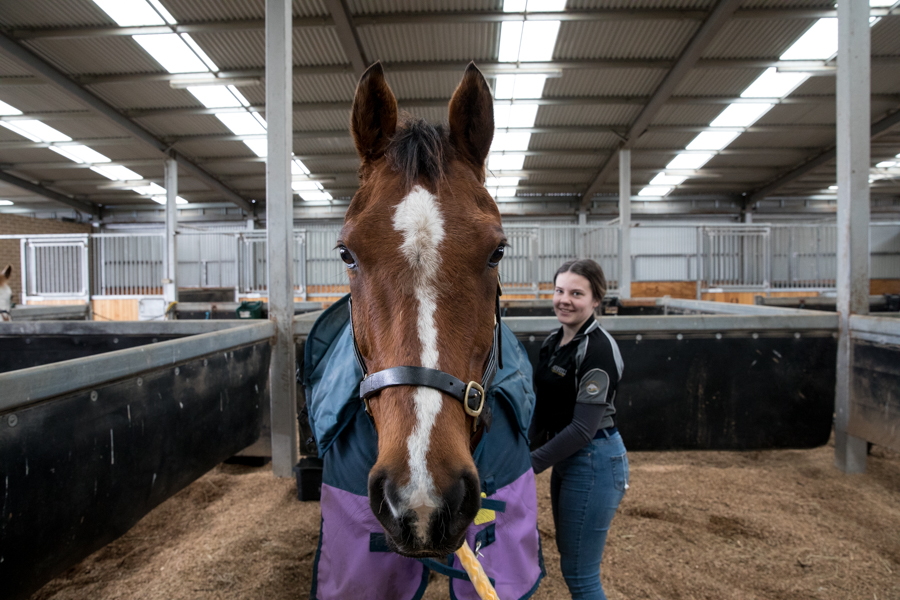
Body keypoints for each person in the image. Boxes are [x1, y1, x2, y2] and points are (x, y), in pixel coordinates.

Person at [529, 258, 629, 600]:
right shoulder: (553, 342)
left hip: (594, 459)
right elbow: (542, 409)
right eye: (559, 291)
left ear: (596, 299)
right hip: (568, 459)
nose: (564, 300)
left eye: (576, 293)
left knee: (581, 576)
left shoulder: (598, 350)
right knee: (570, 563)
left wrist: (529, 465)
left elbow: (583, 429)